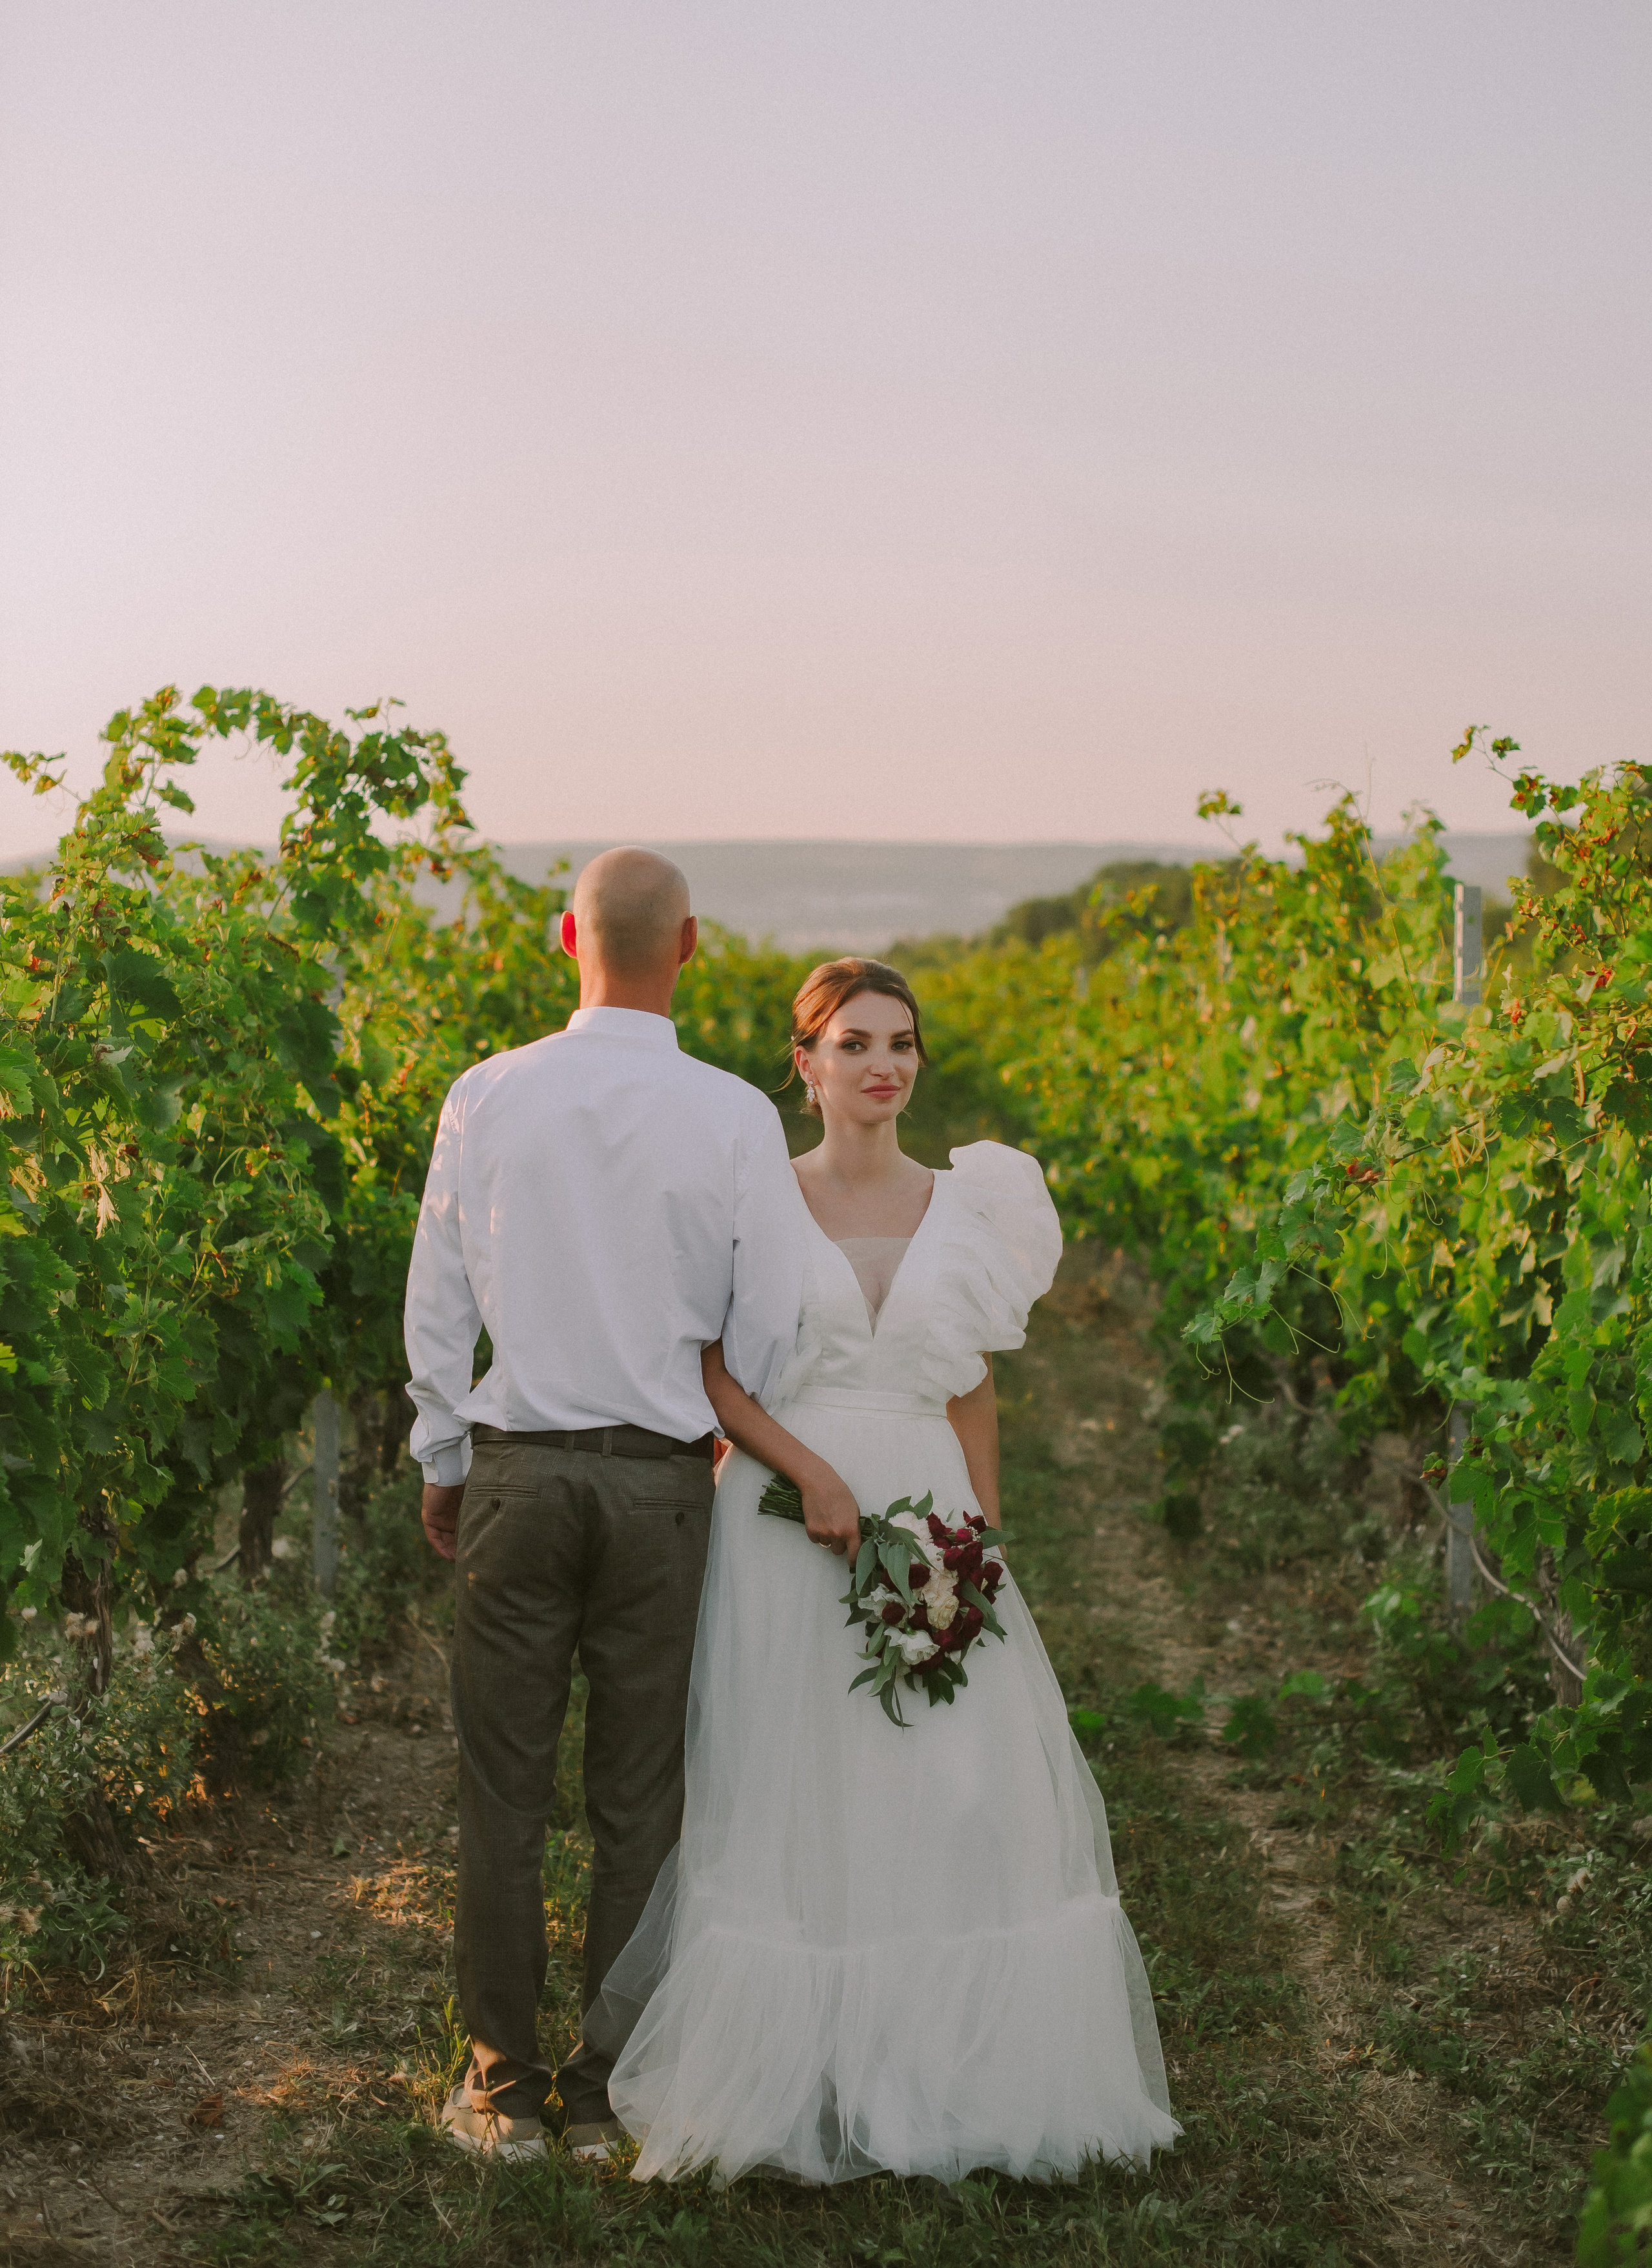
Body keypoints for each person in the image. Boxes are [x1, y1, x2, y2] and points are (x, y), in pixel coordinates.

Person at [588, 958, 1180, 2183]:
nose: (883, 1066)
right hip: (784, 1515)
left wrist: (982, 1544)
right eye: (855, 1043)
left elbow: (970, 1382)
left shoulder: (972, 1204)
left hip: (927, 1500)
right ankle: (797, 2073)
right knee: (790, 1775)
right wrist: (809, 1474)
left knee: (952, 1782)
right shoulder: (758, 1197)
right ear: (805, 1064)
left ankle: (945, 2068)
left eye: (901, 1044)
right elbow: (711, 1371)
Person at [403, 848, 805, 2164]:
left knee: (502, 1794)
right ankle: (608, 2092)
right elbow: (767, 1319)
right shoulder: (736, 1114)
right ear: (689, 945)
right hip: (660, 1483)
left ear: (565, 938)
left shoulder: (486, 1092)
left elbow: (438, 1299)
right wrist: (725, 1440)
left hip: (517, 1472)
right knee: (639, 1798)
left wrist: (443, 1454)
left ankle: (500, 2087)